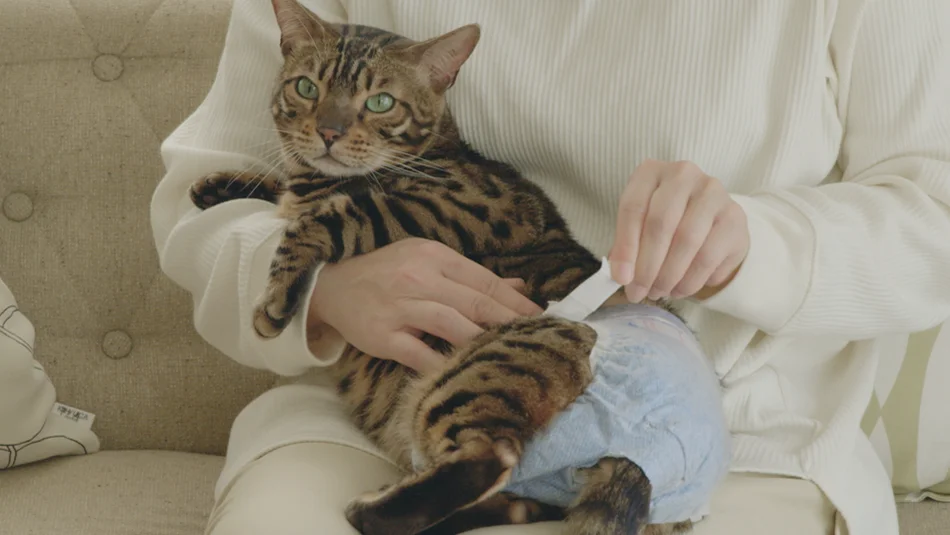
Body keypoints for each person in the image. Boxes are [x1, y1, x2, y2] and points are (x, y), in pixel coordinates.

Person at [149, 0, 950, 533]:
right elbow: (204, 190)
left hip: (739, 438)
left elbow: (935, 214)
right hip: (381, 412)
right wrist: (323, 290)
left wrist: (759, 241)